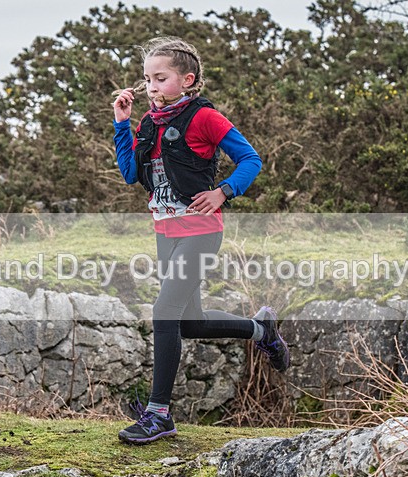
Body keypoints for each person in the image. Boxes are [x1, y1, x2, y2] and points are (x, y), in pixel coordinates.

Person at [111, 37, 289, 445]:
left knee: (163, 311)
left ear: (186, 80)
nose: (151, 87)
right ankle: (261, 330)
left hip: (201, 233)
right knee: (188, 322)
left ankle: (158, 414)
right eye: (147, 80)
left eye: (161, 78)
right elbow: (130, 175)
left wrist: (224, 191)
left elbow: (251, 159)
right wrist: (123, 124)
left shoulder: (205, 118)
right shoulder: (146, 124)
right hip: (165, 235)